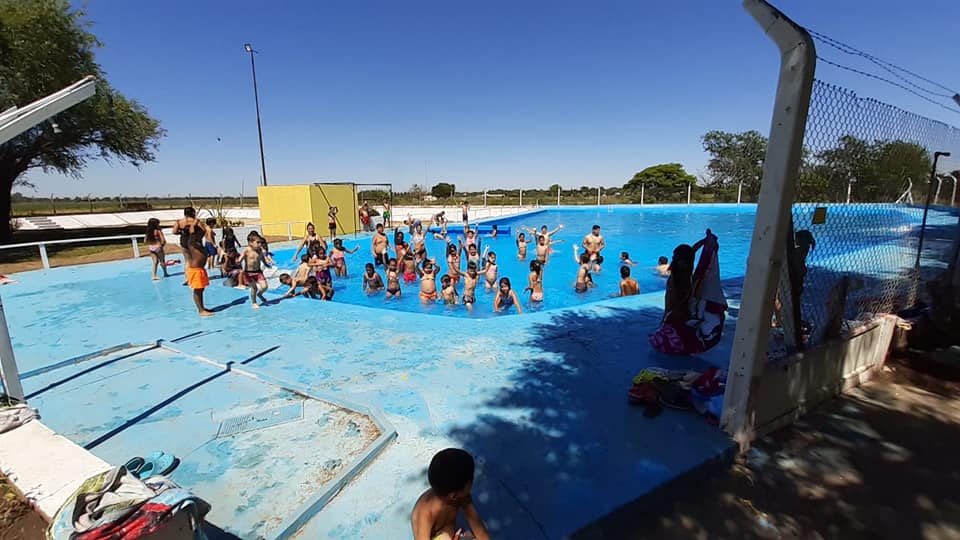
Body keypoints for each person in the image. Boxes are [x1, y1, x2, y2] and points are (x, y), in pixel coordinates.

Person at [649, 230, 727, 355]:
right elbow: (674, 302)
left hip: (673, 314)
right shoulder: (678, 277)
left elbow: (691, 251)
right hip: (675, 314)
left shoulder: (679, 270)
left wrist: (704, 242)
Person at [411, 448, 490, 540]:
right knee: (445, 537)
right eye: (471, 478)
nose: (473, 480)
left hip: (447, 529)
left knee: (479, 532)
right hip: (430, 535)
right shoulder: (426, 513)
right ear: (454, 495)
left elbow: (477, 526)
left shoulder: (461, 495)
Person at [185, 230, 213, 317]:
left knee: (201, 289)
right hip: (195, 270)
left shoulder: (199, 243)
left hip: (200, 269)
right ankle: (200, 310)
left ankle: (202, 307)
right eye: (199, 234)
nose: (202, 235)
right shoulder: (192, 243)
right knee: (198, 290)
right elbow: (192, 233)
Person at [172, 207, 203, 285]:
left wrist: (182, 233)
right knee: (197, 260)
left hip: (184, 241)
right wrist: (198, 237)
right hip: (194, 241)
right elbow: (203, 230)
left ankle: (187, 278)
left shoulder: (179, 222)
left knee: (187, 261)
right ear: (193, 213)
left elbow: (174, 232)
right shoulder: (196, 221)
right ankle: (196, 277)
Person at [241, 231, 270, 309]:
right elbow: (240, 259)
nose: (260, 244)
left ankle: (259, 294)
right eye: (258, 242)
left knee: (265, 286)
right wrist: (238, 262)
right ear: (251, 242)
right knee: (254, 288)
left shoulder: (259, 250)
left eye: (260, 242)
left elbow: (262, 258)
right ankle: (254, 302)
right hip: (249, 273)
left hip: (258, 272)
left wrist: (266, 263)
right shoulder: (246, 250)